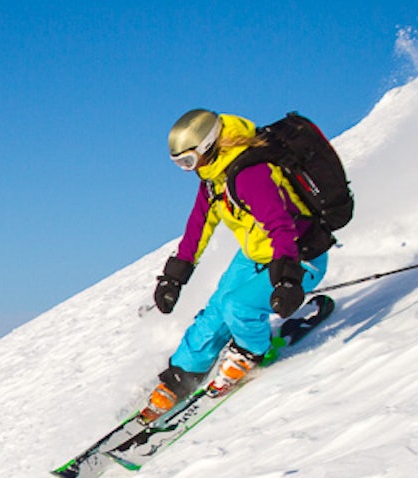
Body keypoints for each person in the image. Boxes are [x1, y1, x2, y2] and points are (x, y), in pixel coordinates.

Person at [141, 109, 330, 422]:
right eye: (179, 165)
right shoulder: (215, 181)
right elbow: (197, 228)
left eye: (188, 161)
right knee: (215, 312)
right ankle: (184, 372)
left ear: (208, 146)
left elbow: (281, 226)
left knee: (237, 307)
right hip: (255, 255)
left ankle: (250, 352)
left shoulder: (251, 174)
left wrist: (287, 279)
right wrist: (174, 278)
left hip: (298, 256)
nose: (187, 170)